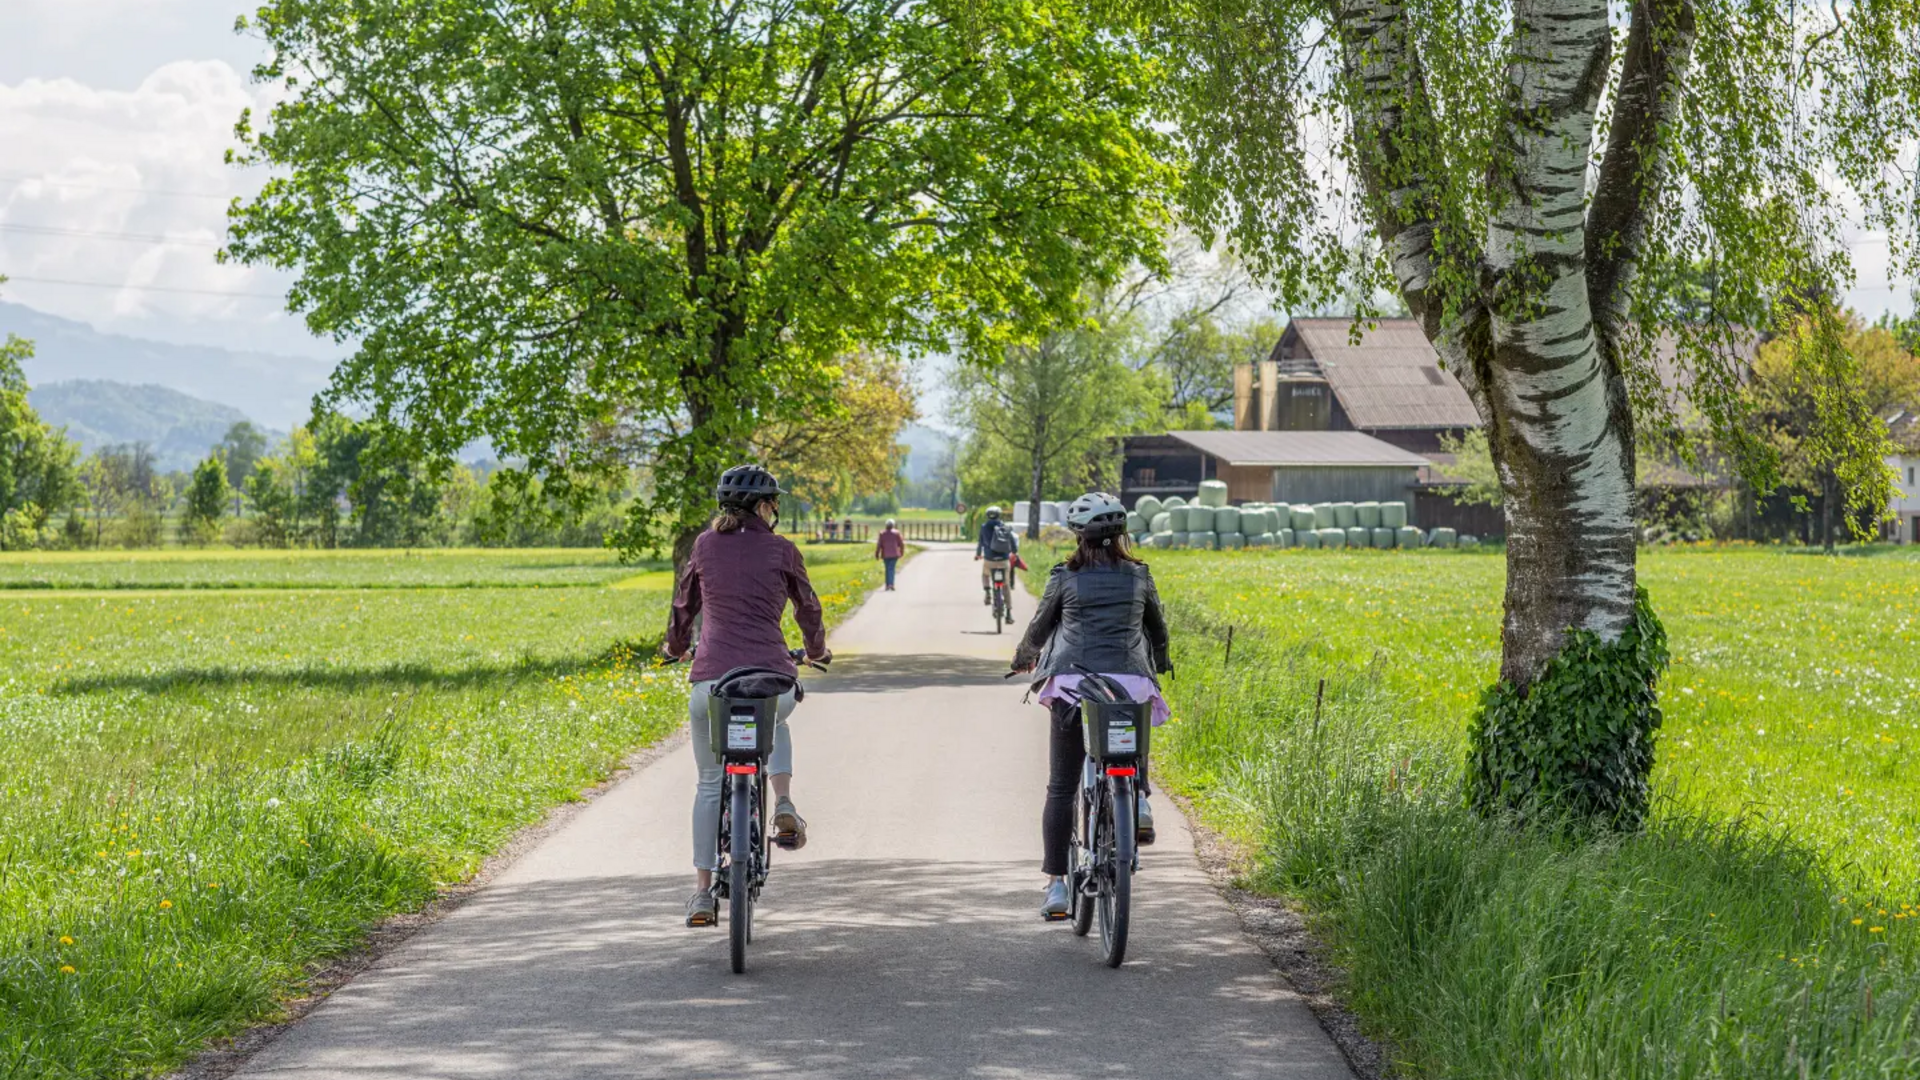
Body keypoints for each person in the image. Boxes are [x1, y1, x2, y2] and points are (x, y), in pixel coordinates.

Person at [665, 464, 832, 927]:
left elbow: (684, 608)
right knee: (775, 720)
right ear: (766, 506)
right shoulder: (783, 550)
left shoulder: (702, 545)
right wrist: (816, 651)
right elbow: (808, 609)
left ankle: (702, 893)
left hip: (711, 687)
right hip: (770, 682)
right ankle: (782, 803)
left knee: (708, 783)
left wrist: (676, 648)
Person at [1010, 491, 1171, 920]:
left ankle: (1058, 887)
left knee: (1062, 786)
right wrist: (1162, 660)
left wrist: (1023, 656)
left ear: (1078, 534)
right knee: (1129, 721)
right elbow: (1157, 627)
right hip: (1127, 681)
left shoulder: (1065, 576)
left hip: (1074, 684)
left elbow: (1040, 627)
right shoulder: (1139, 576)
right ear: (1120, 533)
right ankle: (1137, 800)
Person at [974, 505, 1019, 612]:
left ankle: (988, 592)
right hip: (1003, 560)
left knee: (985, 574)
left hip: (989, 560)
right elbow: (1013, 543)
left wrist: (978, 554)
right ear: (999, 515)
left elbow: (980, 543)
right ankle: (1008, 612)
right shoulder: (1005, 526)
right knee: (1006, 585)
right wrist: (1014, 552)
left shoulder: (984, 527)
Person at [874, 518, 906, 590]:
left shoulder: (882, 533)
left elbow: (879, 545)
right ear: (893, 525)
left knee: (888, 569)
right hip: (894, 554)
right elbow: (901, 544)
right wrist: (901, 552)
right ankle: (891, 584)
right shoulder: (897, 533)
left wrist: (877, 554)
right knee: (891, 568)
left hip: (885, 554)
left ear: (886, 525)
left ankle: (888, 584)